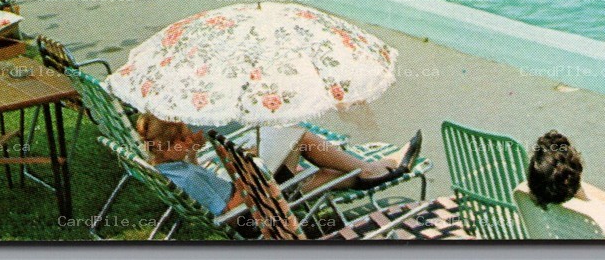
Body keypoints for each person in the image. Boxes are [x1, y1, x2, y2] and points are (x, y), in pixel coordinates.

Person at [136, 114, 422, 218]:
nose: (191, 139)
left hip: (255, 198)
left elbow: (213, 192)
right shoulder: (187, 179)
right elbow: (230, 212)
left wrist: (195, 154)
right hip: (257, 212)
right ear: (167, 146)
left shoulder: (169, 167)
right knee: (296, 134)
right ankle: (377, 169)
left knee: (324, 173)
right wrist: (253, 176)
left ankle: (374, 170)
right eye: (184, 139)